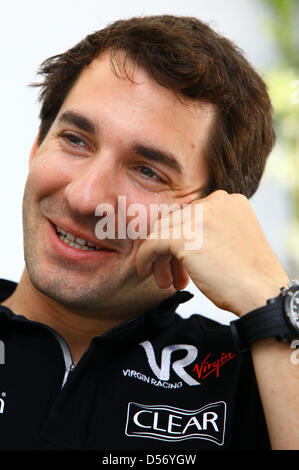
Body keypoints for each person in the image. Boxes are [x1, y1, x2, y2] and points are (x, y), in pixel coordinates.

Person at [0, 14, 298, 451]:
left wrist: (270, 304)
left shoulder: (254, 375)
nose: (85, 198)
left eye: (147, 171)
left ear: (213, 215)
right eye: (76, 140)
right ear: (37, 146)